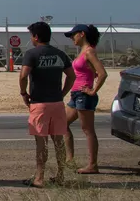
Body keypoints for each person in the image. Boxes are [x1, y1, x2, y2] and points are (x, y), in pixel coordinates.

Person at [19, 21, 74, 187]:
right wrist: (63, 93)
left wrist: (23, 93)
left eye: (31, 36)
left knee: (41, 142)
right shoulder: (60, 54)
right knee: (59, 141)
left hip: (40, 103)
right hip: (57, 103)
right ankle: (60, 176)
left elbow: (23, 76)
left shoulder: (31, 54)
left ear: (36, 36)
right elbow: (71, 76)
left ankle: (39, 177)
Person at [64, 23, 108, 174]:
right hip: (76, 94)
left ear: (82, 34)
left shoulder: (89, 51)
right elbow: (91, 71)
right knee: (63, 124)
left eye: (73, 35)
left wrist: (92, 90)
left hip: (84, 95)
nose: (71, 38)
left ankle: (92, 165)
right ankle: (69, 159)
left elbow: (102, 73)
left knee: (87, 130)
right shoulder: (82, 51)